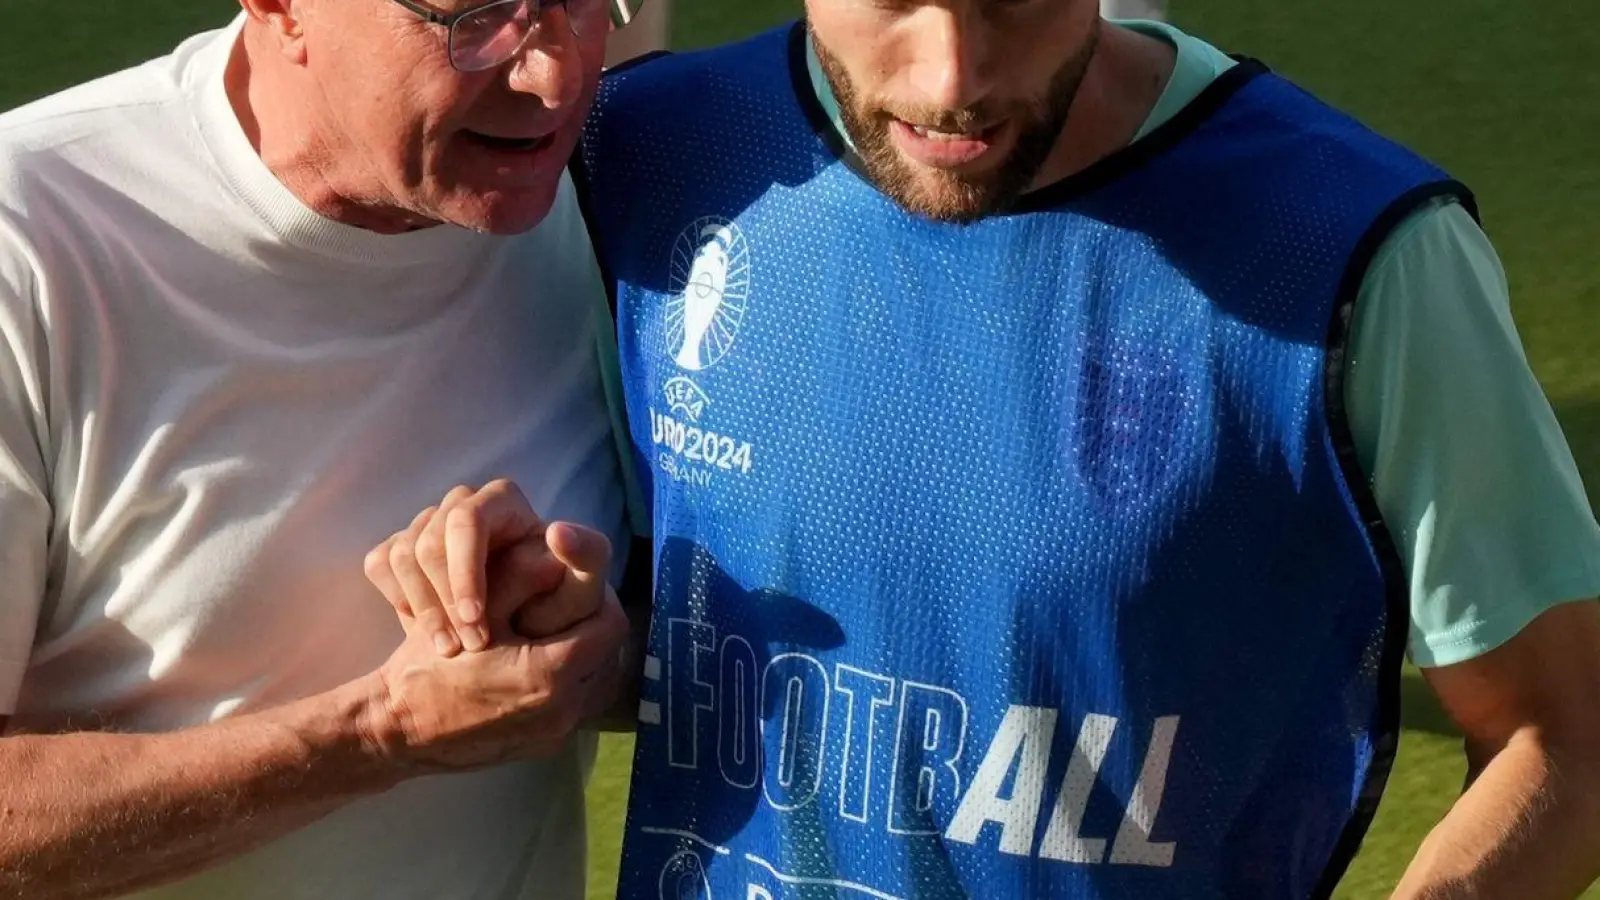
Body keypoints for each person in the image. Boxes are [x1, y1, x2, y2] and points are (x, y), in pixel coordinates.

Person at [380, 2, 1600, 899]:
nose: (950, 75)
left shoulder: (1356, 255)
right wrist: (547, 608)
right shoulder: (646, 159)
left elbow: (1567, 730)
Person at [0, 0, 650, 896]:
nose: (554, 76)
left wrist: (575, 646)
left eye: (580, 2)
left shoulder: (614, 190)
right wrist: (382, 730)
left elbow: (688, 638)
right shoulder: (27, 236)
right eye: (478, 17)